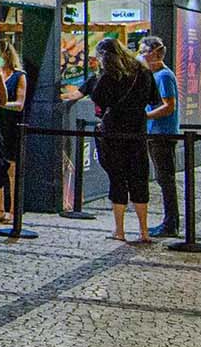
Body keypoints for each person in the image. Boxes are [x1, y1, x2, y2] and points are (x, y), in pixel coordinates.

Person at [63, 37, 157, 242]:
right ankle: (144, 231)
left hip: (113, 133)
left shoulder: (107, 77)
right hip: (138, 132)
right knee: (139, 180)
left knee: (118, 180)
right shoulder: (144, 73)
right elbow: (152, 99)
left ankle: (120, 231)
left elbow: (98, 99)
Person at [141, 37, 181, 238]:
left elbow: (169, 105)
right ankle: (169, 220)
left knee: (166, 178)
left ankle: (171, 222)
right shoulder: (153, 75)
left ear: (155, 53)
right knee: (162, 178)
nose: (141, 55)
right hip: (154, 131)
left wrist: (146, 115)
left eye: (144, 51)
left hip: (162, 133)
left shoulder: (164, 76)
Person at [0, 40, 28, 224]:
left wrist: (1, 104)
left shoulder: (19, 76)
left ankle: (14, 210)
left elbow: (20, 104)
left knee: (12, 169)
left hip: (12, 126)